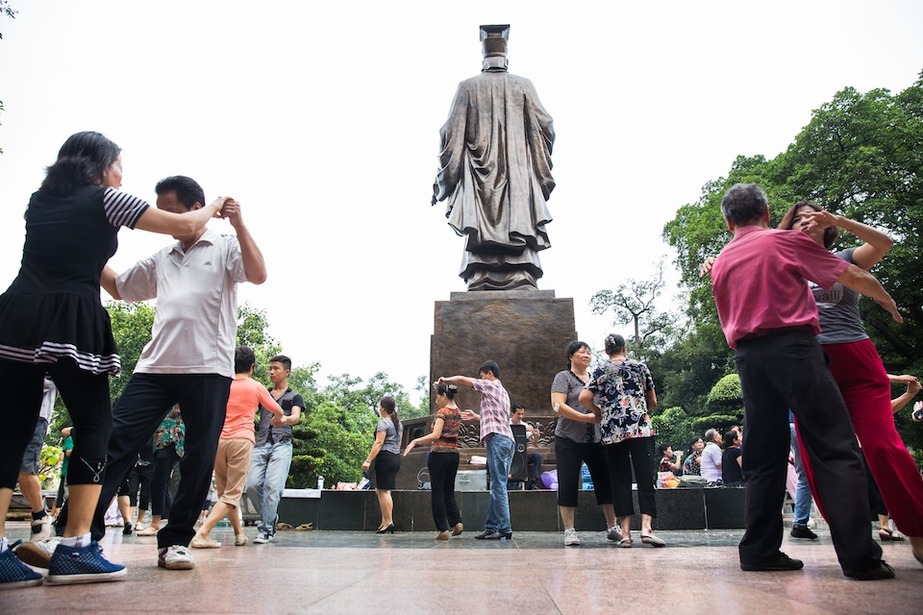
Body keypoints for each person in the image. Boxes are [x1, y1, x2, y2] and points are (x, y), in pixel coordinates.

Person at [0, 132, 227, 588]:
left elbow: (83, 261)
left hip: (18, 313)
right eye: (120, 165)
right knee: (96, 427)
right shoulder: (108, 198)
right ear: (103, 166)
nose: (123, 173)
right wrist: (215, 203)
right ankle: (77, 548)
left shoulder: (38, 201)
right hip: (72, 318)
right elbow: (184, 227)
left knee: (8, 430)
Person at [56, 174, 266, 573]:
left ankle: (176, 541)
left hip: (208, 367)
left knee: (199, 458)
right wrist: (87, 254)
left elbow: (257, 274)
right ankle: (78, 532)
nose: (162, 218)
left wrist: (239, 224)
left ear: (194, 209)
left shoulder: (223, 246)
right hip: (155, 366)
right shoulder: (164, 257)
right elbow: (120, 288)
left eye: (169, 211)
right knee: (113, 439)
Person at [709, 182, 899, 579]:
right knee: (834, 446)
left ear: (728, 222)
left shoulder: (723, 259)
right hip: (793, 349)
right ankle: (860, 558)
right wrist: (886, 298)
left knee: (763, 456)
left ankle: (759, 551)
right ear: (765, 213)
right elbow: (850, 275)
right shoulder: (781, 242)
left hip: (748, 359)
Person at [778, 200, 923, 565]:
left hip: (857, 361)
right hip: (811, 366)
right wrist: (716, 264)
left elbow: (884, 243)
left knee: (881, 445)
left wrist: (839, 218)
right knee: (817, 458)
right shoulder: (782, 263)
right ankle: (854, 541)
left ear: (827, 226)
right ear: (787, 227)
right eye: (798, 217)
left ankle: (918, 528)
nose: (807, 221)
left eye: (814, 217)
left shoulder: (844, 256)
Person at [432, 24, 555, 290]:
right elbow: (547, 128)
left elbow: (450, 137)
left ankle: (482, 274)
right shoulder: (524, 86)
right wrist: (532, 162)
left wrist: (443, 182)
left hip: (480, 182)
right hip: (517, 178)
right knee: (518, 222)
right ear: (505, 55)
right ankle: (520, 274)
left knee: (481, 232)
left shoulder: (467, 87)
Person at [192, 346, 283, 549]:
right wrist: (279, 419)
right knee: (232, 494)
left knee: (226, 493)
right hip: (241, 441)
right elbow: (276, 409)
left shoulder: (223, 385)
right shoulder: (255, 386)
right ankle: (202, 533)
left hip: (219, 441)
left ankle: (239, 534)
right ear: (252, 366)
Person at [579, 334, 663, 548]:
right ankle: (646, 528)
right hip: (640, 430)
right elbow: (652, 400)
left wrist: (600, 412)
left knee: (620, 480)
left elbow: (583, 398)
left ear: (607, 351)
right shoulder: (640, 367)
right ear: (624, 348)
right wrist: (639, 410)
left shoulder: (599, 370)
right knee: (645, 477)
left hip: (613, 431)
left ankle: (625, 533)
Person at [550, 340, 619, 547]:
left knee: (605, 481)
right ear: (571, 356)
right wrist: (586, 418)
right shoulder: (563, 378)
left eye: (589, 352)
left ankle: (612, 526)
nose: (586, 355)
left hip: (597, 438)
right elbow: (558, 406)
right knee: (569, 482)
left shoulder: (596, 377)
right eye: (582, 352)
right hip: (568, 439)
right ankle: (570, 530)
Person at [439, 361, 514, 540]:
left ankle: (504, 528)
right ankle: (491, 526)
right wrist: (476, 417)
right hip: (505, 440)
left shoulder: (490, 385)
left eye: (482, 375)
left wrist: (446, 379)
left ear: (489, 374)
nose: (481, 379)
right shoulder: (503, 392)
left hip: (498, 440)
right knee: (496, 484)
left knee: (498, 485)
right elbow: (496, 417)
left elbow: (464, 380)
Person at [246, 354, 304, 545]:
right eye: (270, 368)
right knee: (252, 485)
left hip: (282, 445)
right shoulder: (264, 394)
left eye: (276, 368)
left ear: (286, 372)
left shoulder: (294, 396)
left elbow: (295, 417)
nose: (271, 372)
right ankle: (270, 518)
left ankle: (266, 529)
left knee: (273, 487)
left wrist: (284, 419)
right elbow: (250, 410)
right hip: (261, 444)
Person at [404, 383, 463, 540]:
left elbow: (436, 435)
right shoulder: (457, 411)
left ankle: (443, 529)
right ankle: (457, 522)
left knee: (437, 493)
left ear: (444, 396)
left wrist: (415, 441)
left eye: (437, 397)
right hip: (453, 455)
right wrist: (441, 384)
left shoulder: (442, 412)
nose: (436, 401)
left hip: (439, 455)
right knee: (448, 491)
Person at [17, 377, 57, 543]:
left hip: (36, 414)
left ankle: (40, 516)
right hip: (9, 410)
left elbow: (53, 380)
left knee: (26, 469)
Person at [138, 407, 183, 536]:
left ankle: (155, 523)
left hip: (171, 440)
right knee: (159, 483)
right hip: (161, 443)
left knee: (157, 482)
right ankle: (163, 521)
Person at [362, 396, 403, 534]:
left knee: (384, 491)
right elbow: (399, 443)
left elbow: (378, 443)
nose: (379, 409)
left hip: (385, 457)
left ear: (384, 408)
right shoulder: (398, 424)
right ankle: (384, 521)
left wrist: (368, 460)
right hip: (395, 457)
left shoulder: (383, 423)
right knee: (380, 489)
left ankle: (389, 521)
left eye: (380, 406)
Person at [788, 411, 816, 540]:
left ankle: (800, 522)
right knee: (809, 476)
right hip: (803, 424)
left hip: (792, 425)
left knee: (803, 476)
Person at [509, 403, 544, 489]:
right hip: (509, 456)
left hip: (521, 455)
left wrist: (536, 436)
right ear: (513, 414)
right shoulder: (506, 424)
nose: (520, 416)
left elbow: (534, 443)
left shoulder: (525, 425)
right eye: (518, 414)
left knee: (537, 457)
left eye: (522, 414)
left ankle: (533, 480)